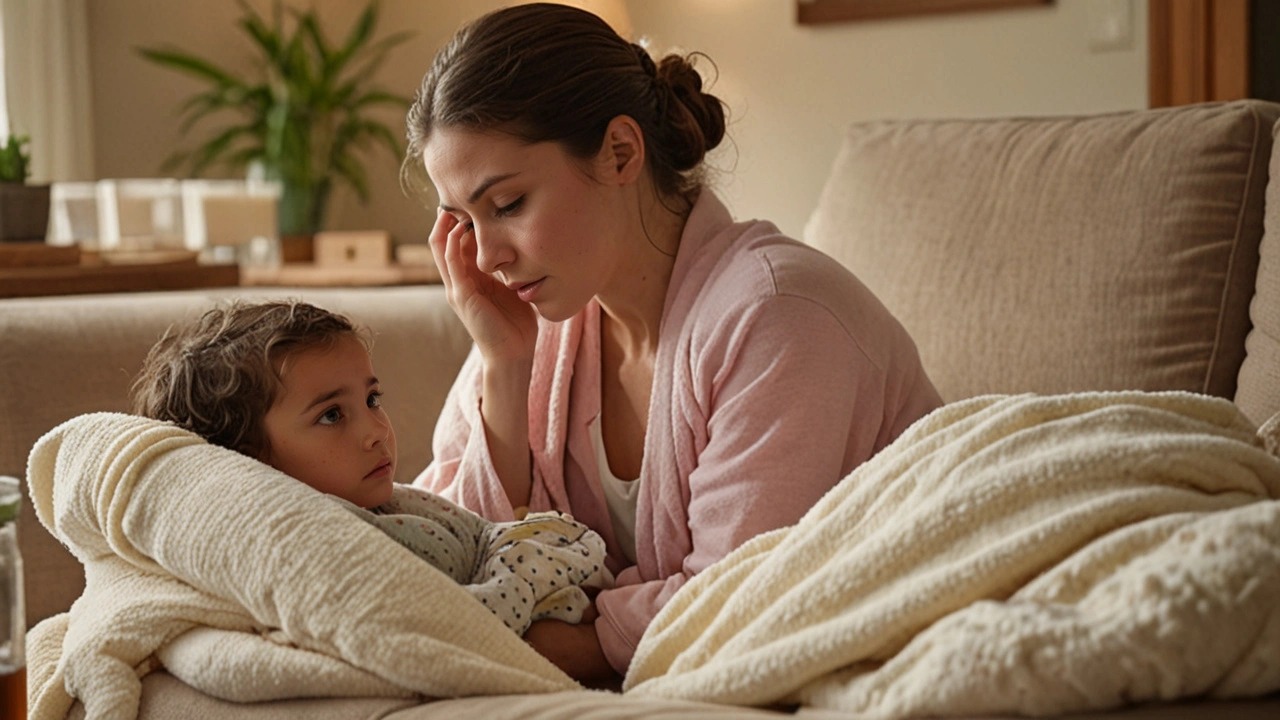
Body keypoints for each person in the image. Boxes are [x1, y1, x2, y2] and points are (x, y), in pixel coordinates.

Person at [404, 2, 943, 683]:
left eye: (507, 205)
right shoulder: (538, 323)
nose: (484, 258)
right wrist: (504, 372)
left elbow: (730, 601)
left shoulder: (778, 314)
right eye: (461, 222)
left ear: (621, 152)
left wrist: (502, 637)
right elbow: (446, 554)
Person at [130, 299, 611, 636]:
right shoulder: (316, 545)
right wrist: (530, 584)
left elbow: (481, 534)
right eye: (332, 415)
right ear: (247, 459)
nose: (376, 430)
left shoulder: (390, 502)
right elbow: (439, 624)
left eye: (372, 399)